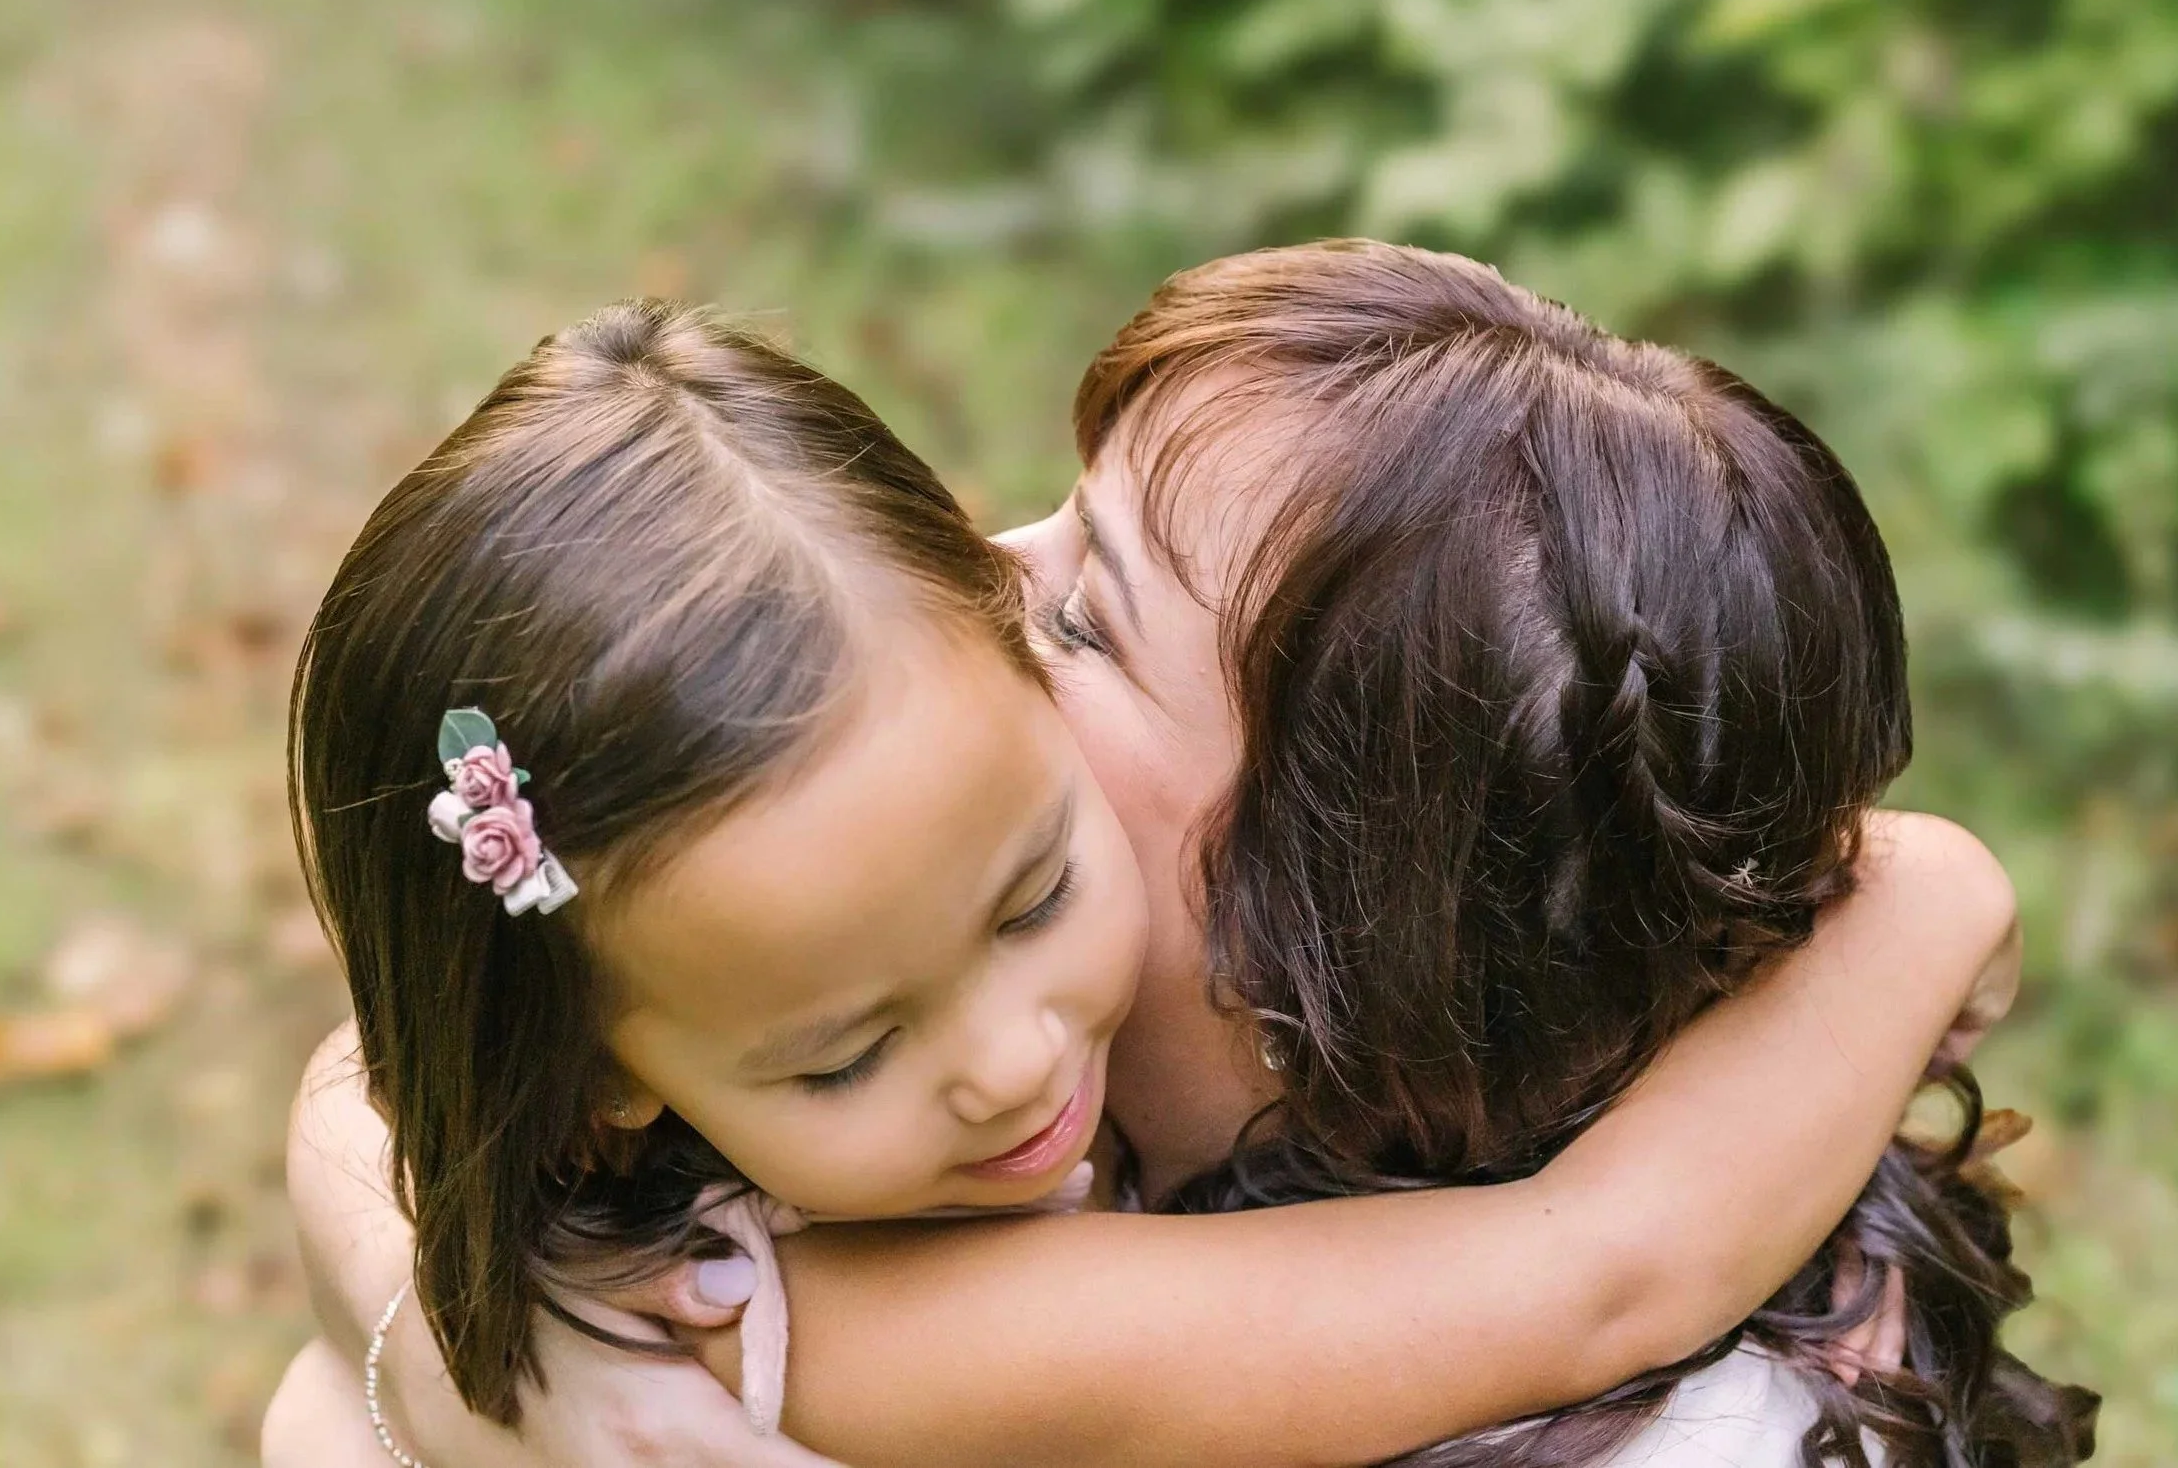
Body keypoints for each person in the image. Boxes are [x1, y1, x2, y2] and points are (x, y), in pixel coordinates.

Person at [267, 287, 2024, 1468]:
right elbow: (1600, 1267)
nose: (981, 578)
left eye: (1085, 616)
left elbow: (1612, 1269)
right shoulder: (765, 1283)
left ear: (1365, 897)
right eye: (846, 1048)